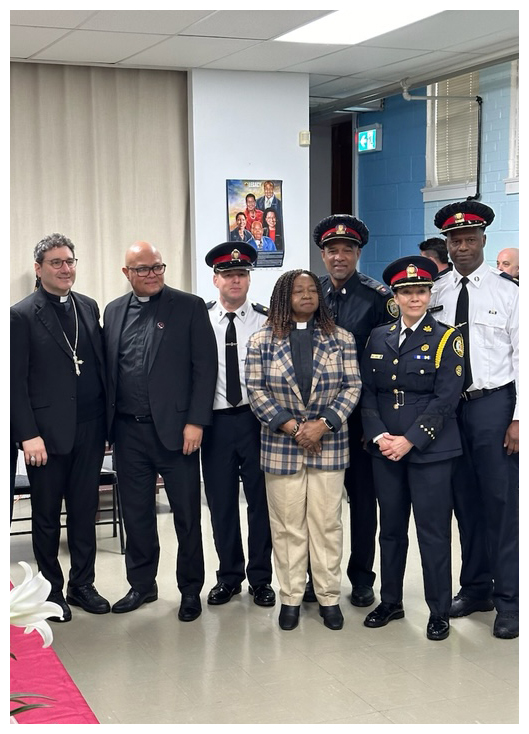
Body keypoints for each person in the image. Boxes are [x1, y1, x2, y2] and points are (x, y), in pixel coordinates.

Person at [103, 241, 217, 622]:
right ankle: (141, 585)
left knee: (186, 515)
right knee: (136, 514)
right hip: (127, 433)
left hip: (176, 432)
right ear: (126, 274)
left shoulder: (189, 306)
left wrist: (196, 422)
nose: (152, 274)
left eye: (157, 267)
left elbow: (205, 369)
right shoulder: (113, 311)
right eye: (142, 269)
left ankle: (189, 590)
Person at [245, 270, 361, 631]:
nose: (307, 295)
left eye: (313, 289)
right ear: (284, 296)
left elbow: (352, 386)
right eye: (298, 290)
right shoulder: (262, 339)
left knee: (326, 524)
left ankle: (328, 597)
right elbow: (256, 391)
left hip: (328, 444)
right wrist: (295, 428)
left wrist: (323, 424)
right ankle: (291, 597)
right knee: (287, 526)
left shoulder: (340, 338)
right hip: (282, 445)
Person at [361, 256, 464, 641]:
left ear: (429, 293)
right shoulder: (377, 337)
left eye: (421, 291)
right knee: (390, 529)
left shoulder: (446, 337)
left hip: (429, 450)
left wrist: (411, 439)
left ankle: (439, 611)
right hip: (385, 448)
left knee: (433, 532)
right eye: (407, 292)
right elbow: (368, 392)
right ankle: (390, 601)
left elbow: (446, 398)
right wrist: (378, 436)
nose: (414, 298)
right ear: (395, 296)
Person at [430, 200, 519, 639]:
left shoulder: (509, 293)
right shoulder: (437, 292)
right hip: (451, 409)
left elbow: (524, 359)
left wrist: (518, 419)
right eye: (455, 240)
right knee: (464, 502)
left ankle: (509, 600)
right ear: (446, 245)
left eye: (469, 239)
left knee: (501, 505)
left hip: (494, 405)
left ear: (484, 240)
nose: (462, 246)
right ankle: (476, 587)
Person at [10, 233, 110, 622]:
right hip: (45, 436)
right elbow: (14, 382)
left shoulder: (87, 306)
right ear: (39, 268)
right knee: (48, 516)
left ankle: (83, 585)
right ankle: (51, 590)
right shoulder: (20, 314)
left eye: (70, 261)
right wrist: (27, 434)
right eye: (56, 262)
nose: (66, 268)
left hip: (90, 427)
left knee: (85, 512)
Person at [312, 214, 399, 608]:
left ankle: (362, 578)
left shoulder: (379, 299)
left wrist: (373, 422)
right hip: (320, 422)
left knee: (364, 504)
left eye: (347, 250)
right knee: (320, 505)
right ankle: (318, 577)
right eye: (332, 250)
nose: (340, 257)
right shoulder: (311, 294)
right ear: (324, 255)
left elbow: (383, 368)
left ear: (358, 253)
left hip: (361, 422)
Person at [202, 242, 275, 608]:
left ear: (249, 278)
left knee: (261, 504)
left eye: (241, 274)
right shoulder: (200, 321)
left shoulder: (266, 320)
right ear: (215, 279)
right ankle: (229, 576)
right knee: (221, 504)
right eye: (228, 274)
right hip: (214, 424)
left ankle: (261, 579)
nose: (235, 280)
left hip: (256, 422)